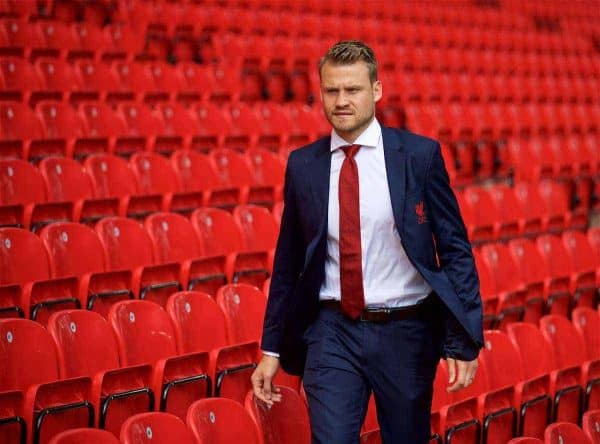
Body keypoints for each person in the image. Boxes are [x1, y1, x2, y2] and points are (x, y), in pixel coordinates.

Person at [251, 40, 483, 444]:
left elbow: (455, 249)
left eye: (353, 90)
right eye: (331, 90)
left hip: (405, 331)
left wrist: (463, 338)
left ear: (376, 90)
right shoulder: (304, 165)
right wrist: (271, 348)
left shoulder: (419, 156)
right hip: (331, 330)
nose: (341, 101)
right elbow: (288, 262)